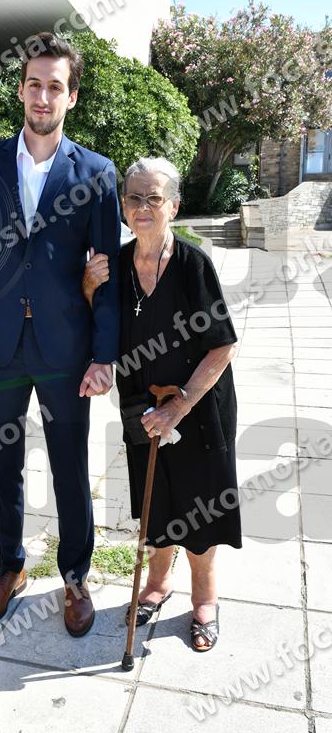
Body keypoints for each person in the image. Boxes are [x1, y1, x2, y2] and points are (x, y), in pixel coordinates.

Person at [0, 32, 121, 637]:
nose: (43, 96)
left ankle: (75, 577)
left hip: (65, 351)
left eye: (56, 86)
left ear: (72, 97)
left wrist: (103, 354)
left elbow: (107, 272)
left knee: (70, 467)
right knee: (3, 464)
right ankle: (10, 568)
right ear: (21, 90)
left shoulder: (96, 173)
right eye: (34, 84)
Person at [83, 156, 241, 651]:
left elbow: (223, 346)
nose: (143, 207)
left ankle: (205, 598)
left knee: (200, 505)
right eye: (134, 197)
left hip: (198, 406)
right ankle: (157, 583)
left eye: (154, 197)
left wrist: (180, 406)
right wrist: (88, 286)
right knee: (156, 500)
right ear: (123, 206)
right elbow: (98, 325)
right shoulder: (116, 265)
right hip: (140, 405)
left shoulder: (193, 265)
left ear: (173, 206)